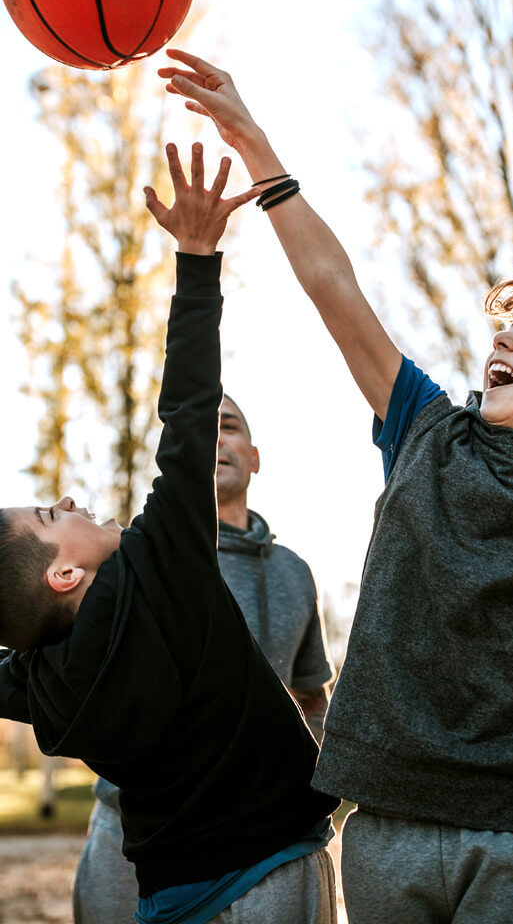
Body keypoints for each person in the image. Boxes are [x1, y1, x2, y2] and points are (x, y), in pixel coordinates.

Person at [158, 49, 513, 923]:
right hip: (384, 822)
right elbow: (334, 289)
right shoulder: (427, 430)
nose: (503, 342)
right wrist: (254, 143)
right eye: (506, 331)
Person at [0, 142, 339, 924]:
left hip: (168, 897)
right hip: (271, 868)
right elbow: (189, 407)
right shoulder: (162, 563)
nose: (72, 499)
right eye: (56, 516)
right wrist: (196, 257)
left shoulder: (42, 689)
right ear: (63, 576)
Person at [74, 390, 334, 924]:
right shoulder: (130, 560)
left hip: (262, 840)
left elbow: (311, 695)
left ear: (254, 457)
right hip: (131, 830)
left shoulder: (294, 571)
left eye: (231, 426)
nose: (216, 437)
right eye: (204, 428)